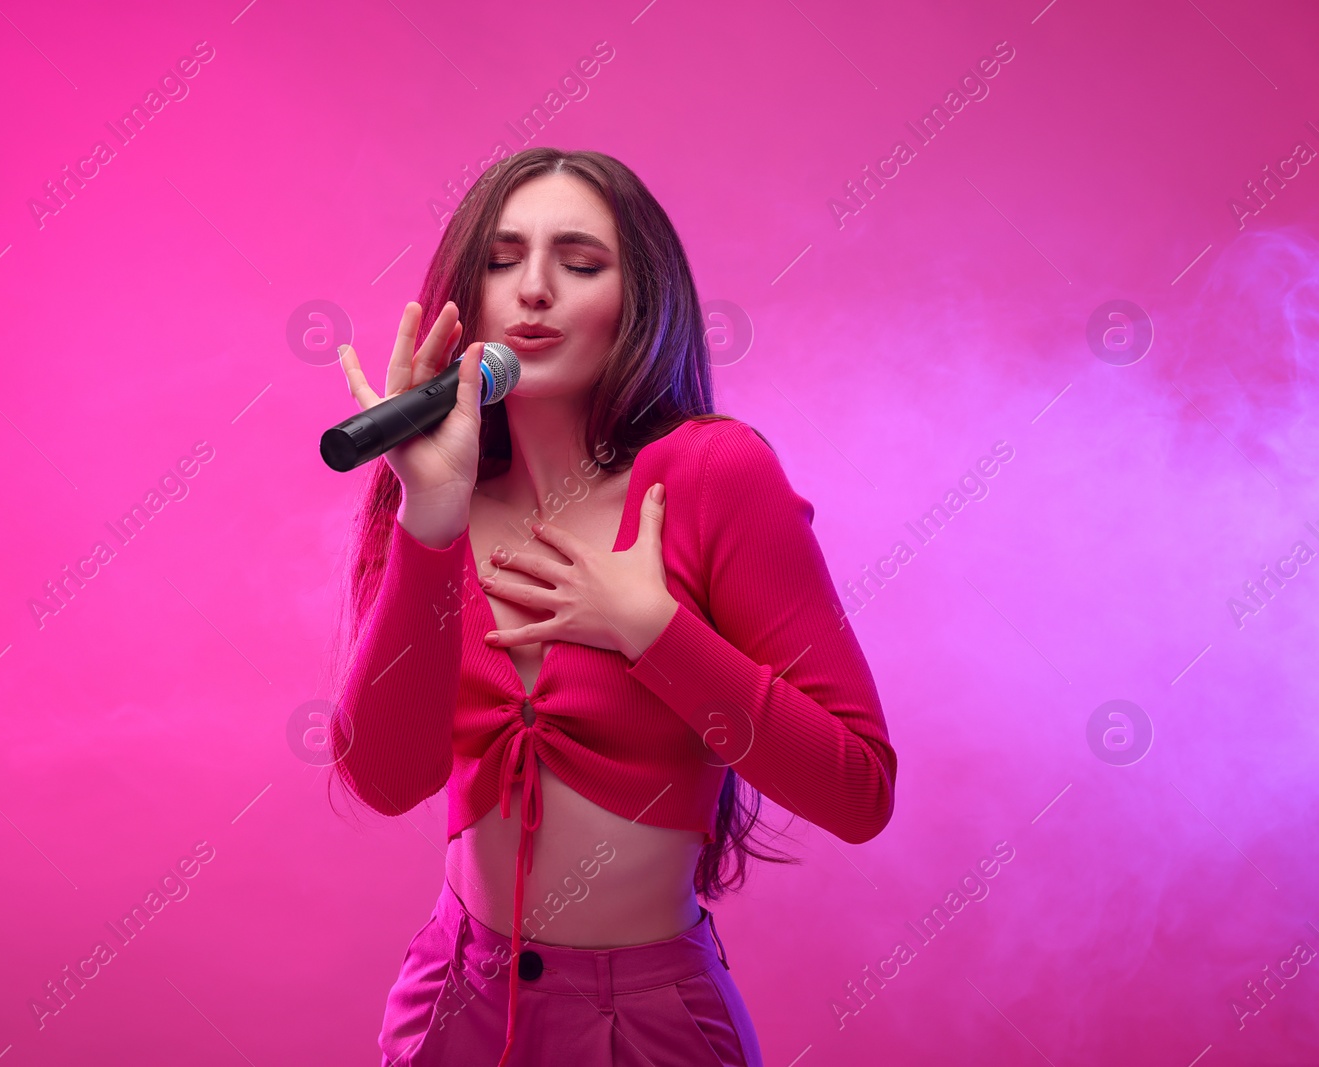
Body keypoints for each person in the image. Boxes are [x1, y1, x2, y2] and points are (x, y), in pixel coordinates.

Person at [325, 147, 898, 1067]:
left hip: (648, 1023)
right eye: (503, 259)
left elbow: (858, 787)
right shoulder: (437, 482)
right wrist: (429, 528)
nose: (535, 291)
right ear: (463, 293)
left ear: (641, 300)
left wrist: (653, 630)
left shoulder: (715, 474)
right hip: (449, 1003)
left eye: (581, 262)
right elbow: (388, 780)